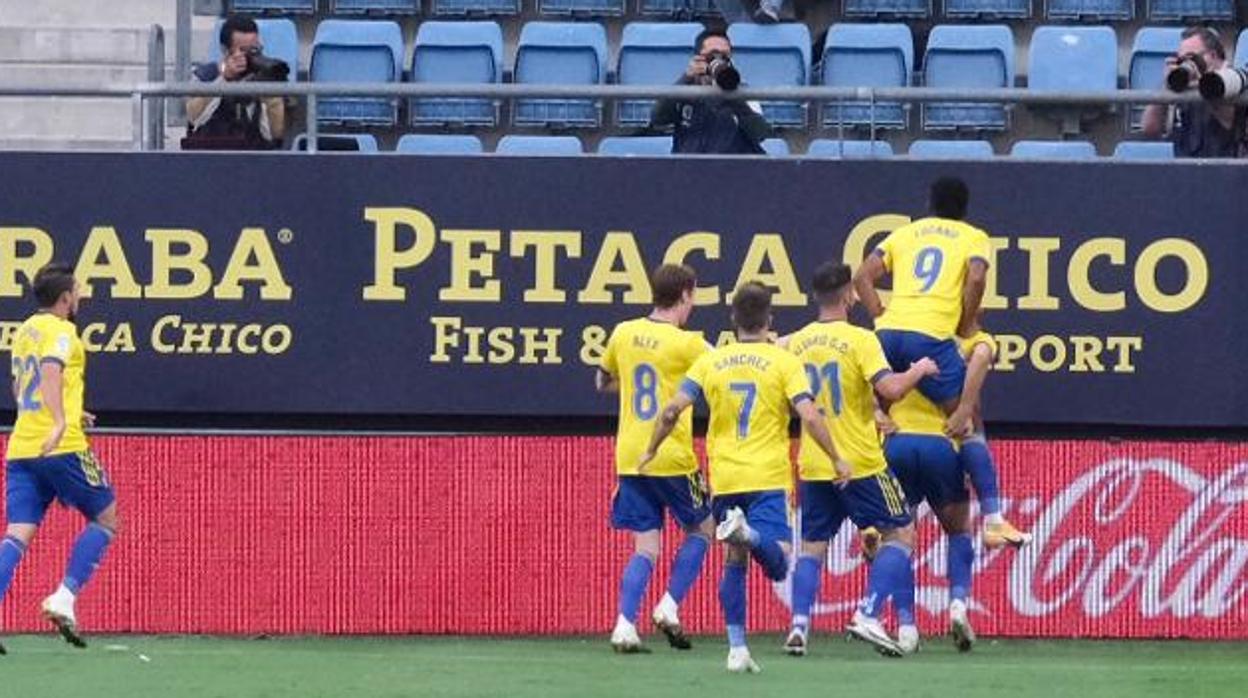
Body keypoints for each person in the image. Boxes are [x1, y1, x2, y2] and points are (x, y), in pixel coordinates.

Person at [640, 282, 841, 674]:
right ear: (769, 320)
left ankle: (736, 648)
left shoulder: (711, 361)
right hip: (766, 475)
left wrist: (650, 449)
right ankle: (747, 534)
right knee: (780, 561)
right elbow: (810, 414)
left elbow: (671, 411)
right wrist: (836, 457)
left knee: (734, 562)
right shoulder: (784, 363)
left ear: (733, 320)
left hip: (726, 477)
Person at [783, 262, 938, 658]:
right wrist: (918, 370)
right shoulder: (860, 339)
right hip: (860, 462)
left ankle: (799, 628)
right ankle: (868, 612)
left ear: (816, 297)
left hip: (815, 461)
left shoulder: (796, 341)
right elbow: (891, 387)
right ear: (850, 295)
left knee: (812, 547)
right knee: (901, 533)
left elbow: (771, 351)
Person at [0, 263, 119, 653]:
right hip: (61, 445)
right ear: (66, 298)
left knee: (18, 533)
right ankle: (64, 596)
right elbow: (50, 370)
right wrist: (60, 420)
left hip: (22, 447)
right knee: (105, 517)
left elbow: (22, 386)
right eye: (78, 291)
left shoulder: (24, 332)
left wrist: (66, 409)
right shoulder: (63, 331)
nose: (81, 297)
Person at [596, 264, 715, 653]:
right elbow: (727, 372)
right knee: (703, 528)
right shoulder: (689, 343)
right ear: (684, 295)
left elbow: (601, 381)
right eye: (693, 295)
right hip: (671, 454)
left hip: (630, 455)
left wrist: (629, 386)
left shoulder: (623, 332)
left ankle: (624, 625)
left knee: (645, 548)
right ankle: (668, 605)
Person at [853, 177, 991, 413]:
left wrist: (878, 313)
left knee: (877, 416)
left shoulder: (904, 233)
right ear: (965, 207)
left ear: (930, 203)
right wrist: (965, 323)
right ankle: (970, 445)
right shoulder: (974, 236)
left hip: (887, 334)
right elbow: (976, 278)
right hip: (931, 335)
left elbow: (861, 276)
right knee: (964, 412)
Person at [880, 387, 978, 652]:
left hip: (898, 441)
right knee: (958, 530)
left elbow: (870, 387)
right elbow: (970, 412)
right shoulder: (951, 352)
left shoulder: (891, 348)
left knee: (899, 538)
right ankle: (957, 604)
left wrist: (878, 413)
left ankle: (906, 627)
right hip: (941, 444)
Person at [944, 325, 1032, 550]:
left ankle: (875, 525)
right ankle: (993, 519)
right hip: (948, 437)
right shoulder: (975, 342)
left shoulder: (899, 329)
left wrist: (878, 410)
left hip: (905, 439)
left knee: (898, 532)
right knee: (958, 528)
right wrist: (964, 410)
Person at [650, 28, 773, 155]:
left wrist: (732, 95)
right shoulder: (684, 91)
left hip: (731, 169)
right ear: (698, 58)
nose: (718, 60)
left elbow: (760, 134)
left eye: (724, 56)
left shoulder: (743, 92)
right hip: (689, 168)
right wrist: (686, 78)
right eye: (712, 56)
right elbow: (658, 119)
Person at [1141, 26, 1248, 158]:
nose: (1188, 64)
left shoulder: (1234, 81)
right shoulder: (1184, 85)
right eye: (1182, 59)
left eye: (1191, 58)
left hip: (1224, 170)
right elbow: (1150, 129)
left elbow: (1227, 120)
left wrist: (1203, 83)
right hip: (1185, 171)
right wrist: (1167, 84)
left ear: (1212, 55)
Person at [185, 15, 287, 150]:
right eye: (244, 51)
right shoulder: (206, 75)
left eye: (254, 50)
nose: (250, 56)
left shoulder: (264, 77)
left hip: (255, 158)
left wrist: (269, 93)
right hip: (210, 156)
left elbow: (276, 134)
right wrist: (224, 80)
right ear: (225, 50)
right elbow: (194, 117)